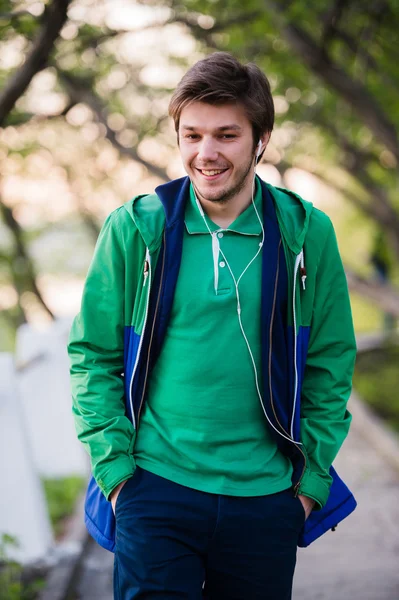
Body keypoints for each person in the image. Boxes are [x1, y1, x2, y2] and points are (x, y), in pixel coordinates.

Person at [68, 52, 357, 600]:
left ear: (260, 139)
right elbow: (92, 354)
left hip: (267, 497)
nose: (206, 153)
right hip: (154, 488)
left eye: (226, 135)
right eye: (192, 134)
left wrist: (309, 484)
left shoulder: (305, 233)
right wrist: (116, 475)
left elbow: (330, 362)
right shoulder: (137, 228)